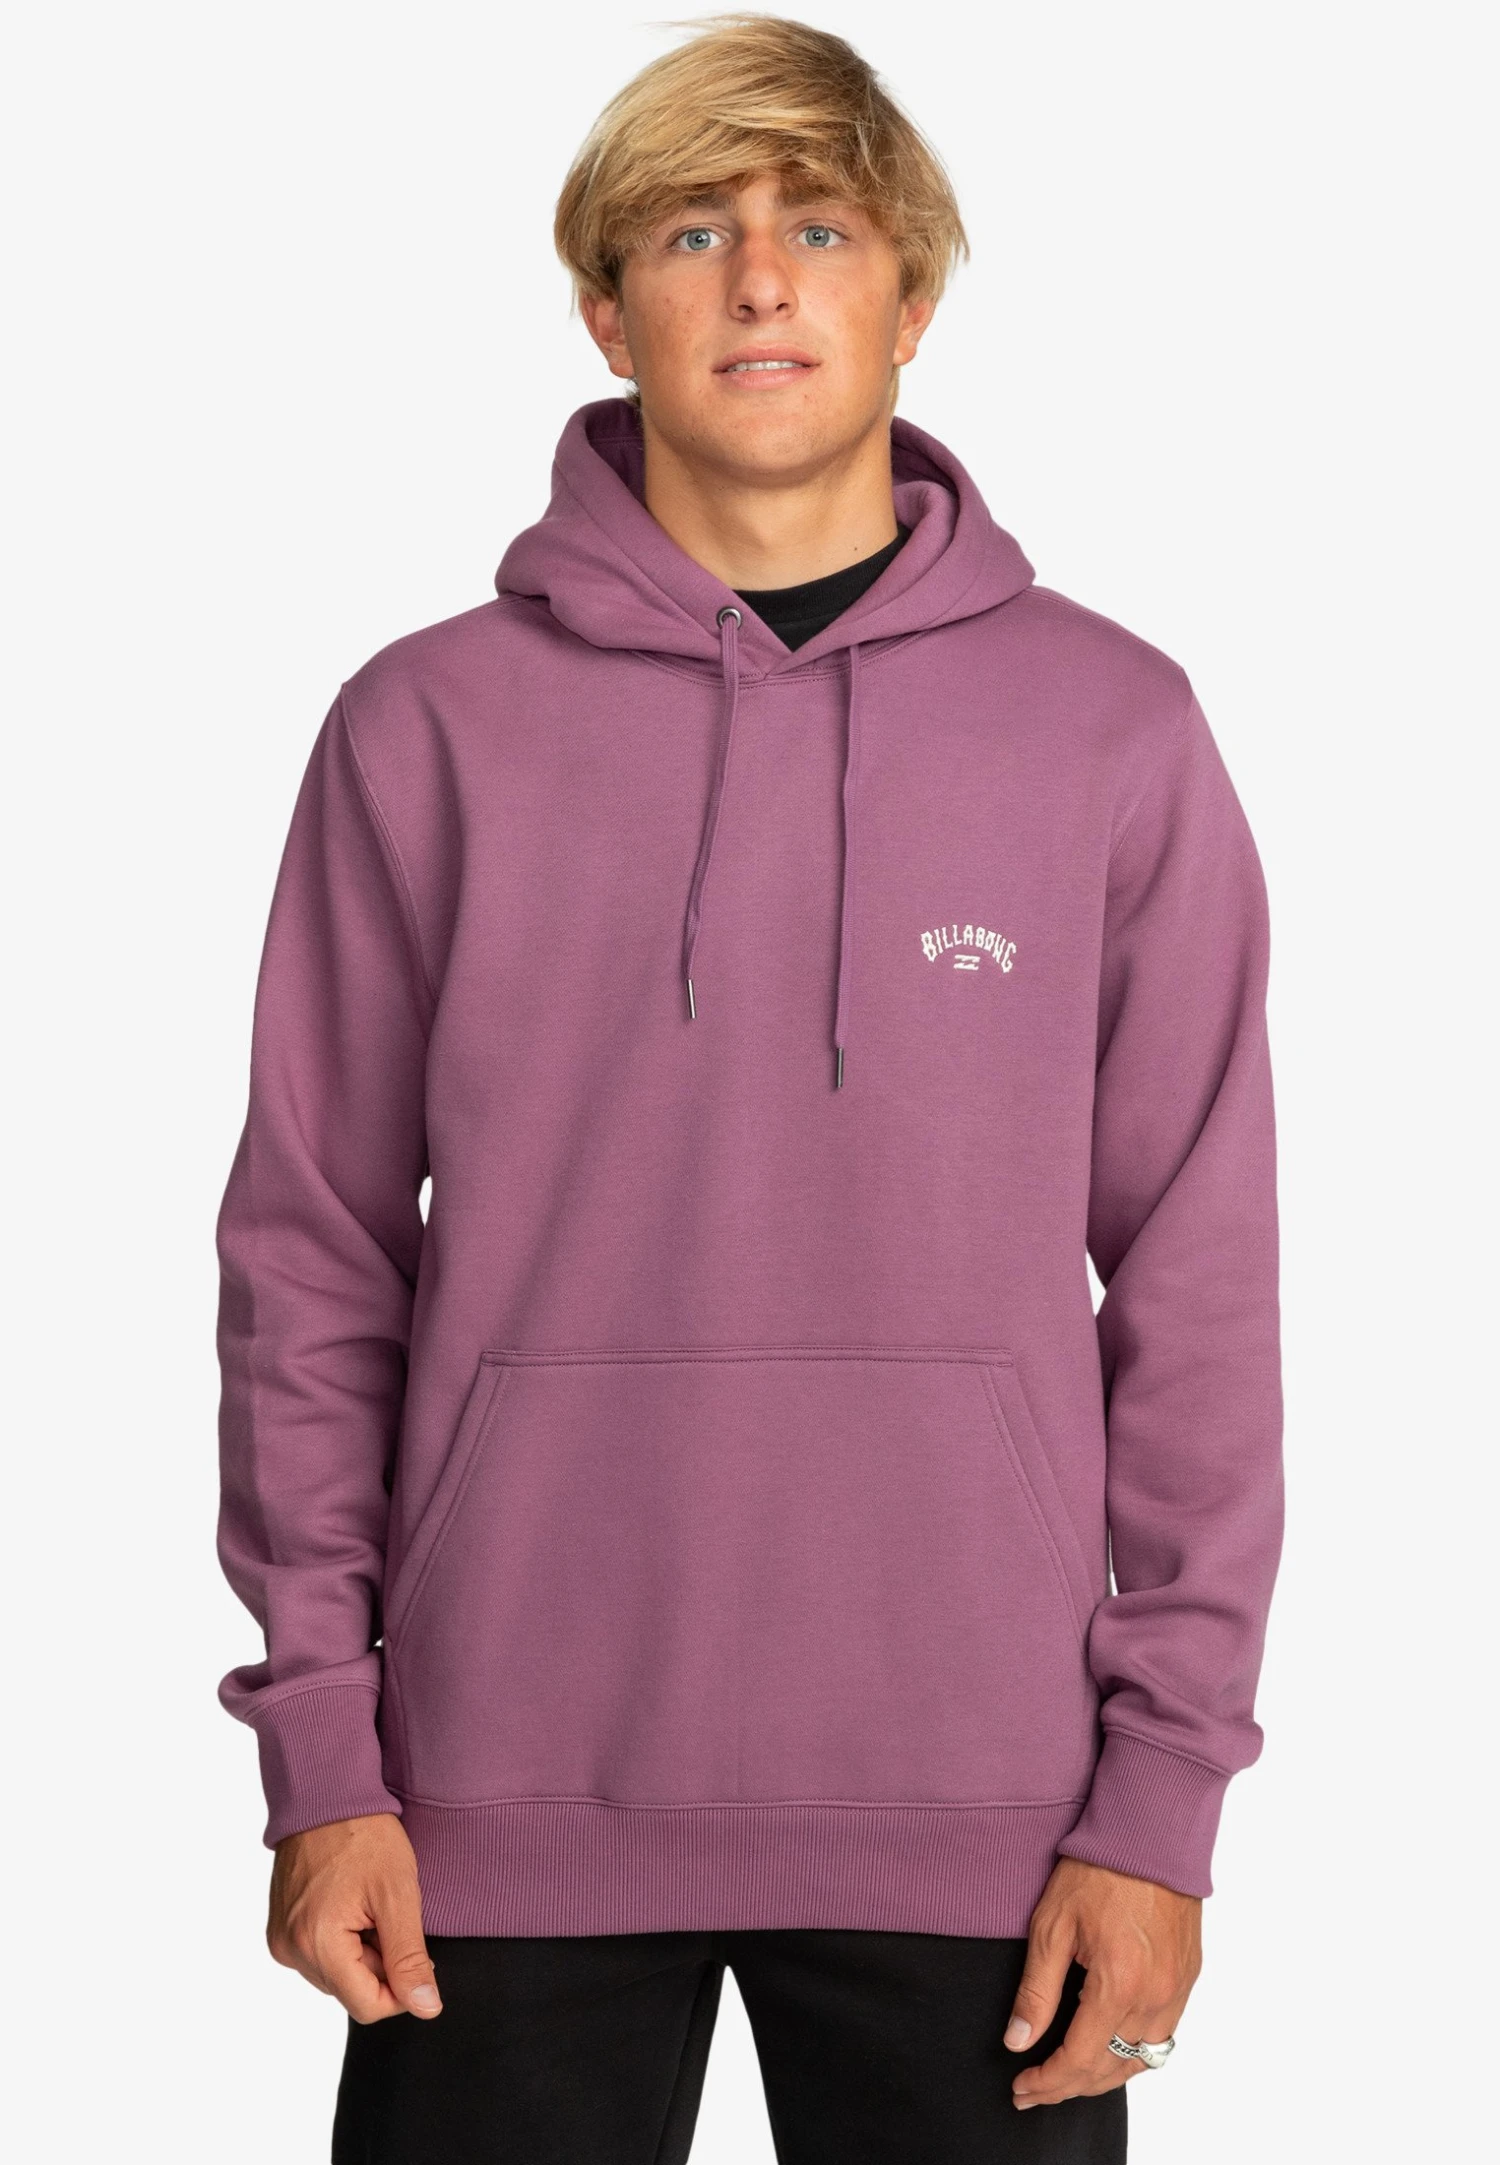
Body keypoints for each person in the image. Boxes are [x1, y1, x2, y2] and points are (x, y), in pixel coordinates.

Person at [214, 18, 1284, 2161]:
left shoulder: (1110, 730)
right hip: (490, 1793)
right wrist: (322, 1749)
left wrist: (1164, 1799)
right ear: (607, 312)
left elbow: (1200, 1289)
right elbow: (310, 1261)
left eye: (825, 228)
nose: (766, 278)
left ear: (914, 296)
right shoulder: (424, 728)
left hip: (992, 1812)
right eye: (694, 233)